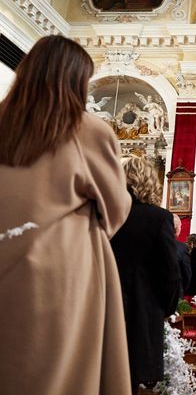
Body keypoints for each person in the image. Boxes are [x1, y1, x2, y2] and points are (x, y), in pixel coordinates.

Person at [0, 35, 132, 394]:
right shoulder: (85, 128)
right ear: (76, 79)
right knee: (57, 371)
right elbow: (116, 207)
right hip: (60, 266)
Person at [111, 156, 182, 393]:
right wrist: (166, 308)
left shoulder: (107, 216)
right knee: (135, 377)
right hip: (144, 310)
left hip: (107, 306)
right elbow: (171, 273)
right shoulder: (160, 219)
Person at [172, 214, 191, 297]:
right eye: (180, 226)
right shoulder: (181, 247)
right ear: (176, 229)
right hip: (175, 293)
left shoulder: (152, 243)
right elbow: (187, 274)